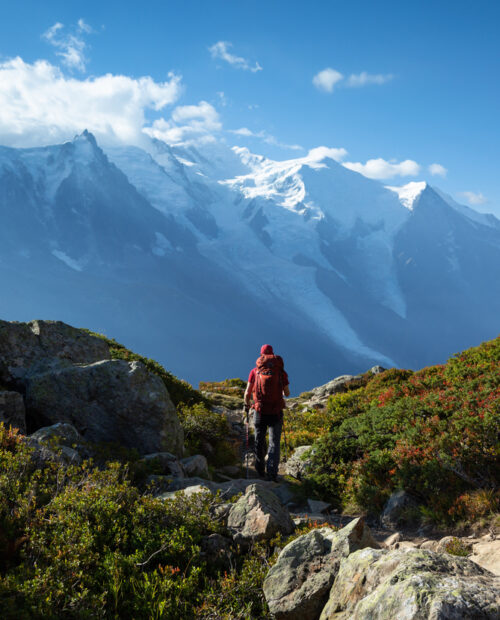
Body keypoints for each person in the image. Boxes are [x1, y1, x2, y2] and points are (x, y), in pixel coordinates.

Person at [244, 344, 290, 481]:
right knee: (274, 442)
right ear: (273, 354)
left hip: (259, 411)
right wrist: (280, 392)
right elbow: (287, 393)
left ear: (261, 355)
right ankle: (272, 473)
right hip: (275, 412)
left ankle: (259, 469)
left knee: (259, 440)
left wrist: (247, 404)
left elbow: (247, 393)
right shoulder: (281, 372)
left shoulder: (255, 371)